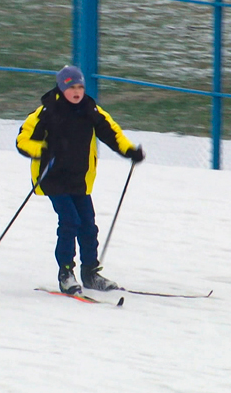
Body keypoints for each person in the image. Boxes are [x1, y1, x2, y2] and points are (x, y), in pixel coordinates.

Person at [16, 65, 144, 295]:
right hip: (53, 178)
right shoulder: (46, 111)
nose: (76, 92)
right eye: (71, 87)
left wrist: (129, 151)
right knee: (70, 221)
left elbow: (112, 132)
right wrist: (43, 150)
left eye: (80, 87)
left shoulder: (90, 109)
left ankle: (90, 273)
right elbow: (23, 140)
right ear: (62, 87)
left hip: (79, 178)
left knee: (88, 224)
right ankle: (66, 273)